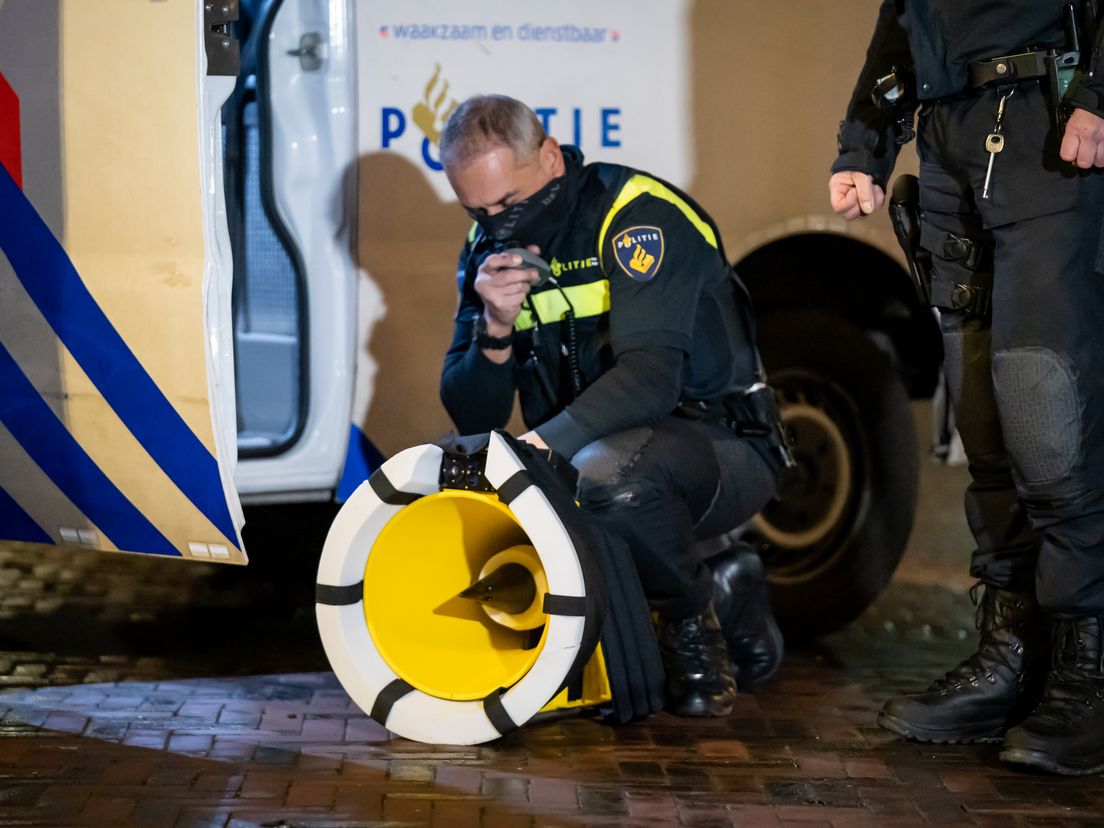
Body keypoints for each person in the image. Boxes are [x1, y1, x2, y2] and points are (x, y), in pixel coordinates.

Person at [438, 94, 788, 717]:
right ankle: (722, 582)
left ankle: (693, 624)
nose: (500, 226)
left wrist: (541, 450)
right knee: (458, 463)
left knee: (607, 475)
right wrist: (493, 325)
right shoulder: (483, 246)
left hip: (723, 446)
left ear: (549, 158)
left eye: (510, 205)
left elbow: (652, 381)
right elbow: (474, 417)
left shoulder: (635, 218)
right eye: (478, 210)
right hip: (593, 451)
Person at [830, 1, 1104, 775]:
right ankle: (1015, 654)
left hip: (1049, 134)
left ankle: (1088, 669)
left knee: (1048, 414)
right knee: (984, 419)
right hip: (952, 136)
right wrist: (865, 139)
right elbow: (904, 15)